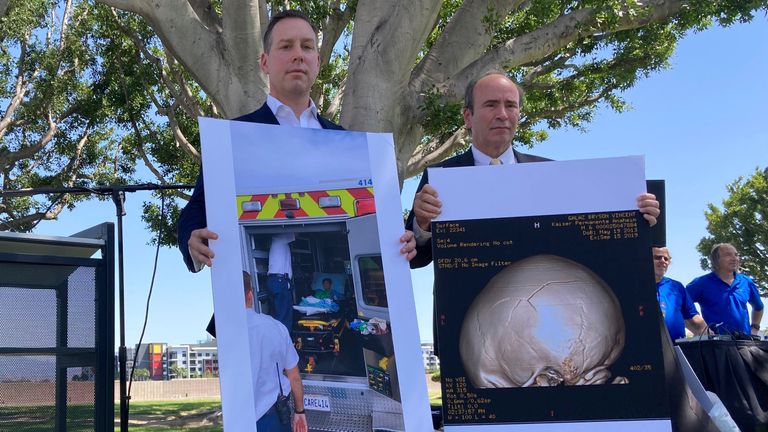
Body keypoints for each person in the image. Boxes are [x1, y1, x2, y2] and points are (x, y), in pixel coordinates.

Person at [179, 10, 417, 337]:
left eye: (306, 47)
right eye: (286, 46)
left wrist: (398, 242)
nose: (297, 55)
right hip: (244, 332)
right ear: (264, 61)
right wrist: (192, 240)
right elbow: (196, 209)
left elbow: (371, 218)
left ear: (318, 61)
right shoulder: (233, 139)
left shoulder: (346, 142)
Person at [405, 71, 661, 350]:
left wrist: (636, 219)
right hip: (467, 334)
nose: (502, 114)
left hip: (549, 333)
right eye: (491, 105)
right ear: (468, 117)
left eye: (510, 105)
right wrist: (422, 224)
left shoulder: (551, 173)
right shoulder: (441, 176)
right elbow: (415, 257)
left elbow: (583, 244)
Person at [243, 271, 307, 432]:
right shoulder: (276, 327)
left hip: (238, 420)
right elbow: (294, 377)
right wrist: (300, 411)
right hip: (272, 419)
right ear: (250, 295)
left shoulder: (223, 333)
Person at [687, 243, 764, 336]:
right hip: (715, 344)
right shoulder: (700, 283)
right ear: (716, 260)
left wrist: (755, 328)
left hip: (744, 342)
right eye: (728, 255)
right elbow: (679, 307)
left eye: (736, 255)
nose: (734, 258)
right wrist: (698, 330)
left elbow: (759, 307)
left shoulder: (746, 282)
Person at [652, 246, 707, 340]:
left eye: (666, 259)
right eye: (657, 257)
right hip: (645, 349)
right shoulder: (636, 286)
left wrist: (708, 332)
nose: (663, 261)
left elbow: (692, 315)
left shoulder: (677, 287)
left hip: (676, 348)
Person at [267, 233, 296, 331]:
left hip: (276, 281)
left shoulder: (278, 241)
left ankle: (278, 339)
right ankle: (284, 342)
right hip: (279, 281)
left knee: (277, 314)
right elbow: (297, 232)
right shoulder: (280, 238)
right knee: (284, 316)